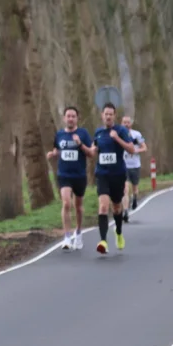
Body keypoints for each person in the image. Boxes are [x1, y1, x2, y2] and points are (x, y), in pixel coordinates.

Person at [46, 106, 93, 251]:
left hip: (79, 175)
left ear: (77, 118)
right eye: (68, 116)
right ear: (64, 118)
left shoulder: (83, 133)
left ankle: (78, 233)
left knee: (78, 207)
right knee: (66, 203)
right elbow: (57, 149)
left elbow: (91, 153)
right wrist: (53, 154)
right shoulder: (59, 134)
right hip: (64, 174)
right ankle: (67, 236)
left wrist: (80, 144)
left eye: (73, 116)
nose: (70, 118)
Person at [92, 103, 135, 254]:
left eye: (111, 114)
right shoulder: (98, 133)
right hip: (102, 174)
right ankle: (103, 241)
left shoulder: (121, 130)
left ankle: (118, 232)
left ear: (114, 116)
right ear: (102, 115)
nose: (108, 116)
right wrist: (90, 149)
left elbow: (131, 149)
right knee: (103, 206)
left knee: (116, 207)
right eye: (106, 114)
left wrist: (117, 139)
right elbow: (94, 150)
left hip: (117, 174)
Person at [121, 115, 147, 221]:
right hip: (123, 165)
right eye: (124, 122)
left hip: (135, 165)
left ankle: (135, 198)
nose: (126, 124)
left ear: (131, 124)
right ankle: (126, 211)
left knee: (135, 188)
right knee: (125, 189)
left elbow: (145, 148)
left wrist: (135, 151)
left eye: (128, 122)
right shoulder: (119, 135)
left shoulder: (137, 134)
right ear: (121, 123)